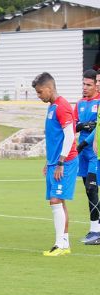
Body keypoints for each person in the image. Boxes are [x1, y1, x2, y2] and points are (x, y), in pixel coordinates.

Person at [32, 72, 78, 256]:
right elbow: (55, 138)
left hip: (64, 162)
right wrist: (49, 161)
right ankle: (64, 244)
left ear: (50, 88)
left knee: (55, 201)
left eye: (40, 92)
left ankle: (60, 245)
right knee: (59, 201)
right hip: (54, 162)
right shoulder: (51, 107)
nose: (38, 95)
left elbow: (69, 135)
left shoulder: (62, 106)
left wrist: (60, 162)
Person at [73, 70, 100, 244]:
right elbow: (74, 126)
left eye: (88, 84)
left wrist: (91, 128)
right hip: (82, 154)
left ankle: (95, 231)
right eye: (83, 84)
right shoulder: (80, 103)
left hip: (94, 153)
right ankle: (95, 229)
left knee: (92, 188)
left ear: (95, 86)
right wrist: (83, 125)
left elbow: (98, 127)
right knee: (88, 190)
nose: (85, 88)